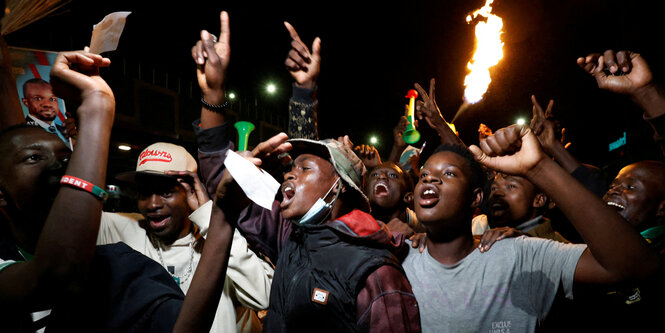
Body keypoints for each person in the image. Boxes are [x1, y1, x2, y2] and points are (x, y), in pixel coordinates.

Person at [401, 125, 660, 332]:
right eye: (423, 175)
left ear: (475, 199)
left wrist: (538, 167)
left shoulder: (522, 255)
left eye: (449, 174)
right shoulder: (396, 256)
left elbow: (637, 267)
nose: (430, 178)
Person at [214, 135, 420, 332]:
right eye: (291, 168)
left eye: (305, 168)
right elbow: (231, 199)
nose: (289, 174)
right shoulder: (293, 240)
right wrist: (244, 176)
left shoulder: (376, 271)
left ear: (338, 185)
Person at [488, 173, 568, 242]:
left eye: (511, 186)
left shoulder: (560, 249)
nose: (497, 193)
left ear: (539, 200)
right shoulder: (487, 238)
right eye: (494, 188)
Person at [364, 162, 424, 237]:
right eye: (375, 175)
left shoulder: (420, 233)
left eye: (392, 175)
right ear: (365, 193)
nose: (382, 176)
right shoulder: (352, 225)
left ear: (408, 197)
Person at [21, 78, 76, 148]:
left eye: (52, 99)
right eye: (38, 99)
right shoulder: (24, 132)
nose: (48, 104)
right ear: (26, 102)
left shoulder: (64, 129)